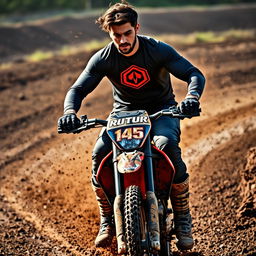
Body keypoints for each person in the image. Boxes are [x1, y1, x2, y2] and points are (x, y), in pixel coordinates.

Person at [58, 0, 205, 251]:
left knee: (167, 145)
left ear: (136, 27)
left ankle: (182, 219)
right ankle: (107, 219)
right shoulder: (104, 57)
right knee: (99, 153)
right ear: (110, 34)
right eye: (117, 36)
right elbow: (78, 88)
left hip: (162, 110)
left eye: (127, 33)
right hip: (124, 115)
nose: (123, 40)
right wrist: (69, 112)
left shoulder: (157, 49)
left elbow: (194, 73)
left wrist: (191, 98)